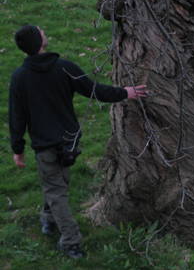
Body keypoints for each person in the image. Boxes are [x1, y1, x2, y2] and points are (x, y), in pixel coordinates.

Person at [9, 25, 147, 259]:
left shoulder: (20, 77)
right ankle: (68, 238)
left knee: (56, 186)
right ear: (40, 42)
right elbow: (94, 90)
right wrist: (125, 93)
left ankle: (54, 224)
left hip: (48, 145)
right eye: (40, 31)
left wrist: (18, 150)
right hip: (67, 141)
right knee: (57, 188)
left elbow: (17, 117)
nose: (44, 31)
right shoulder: (64, 68)